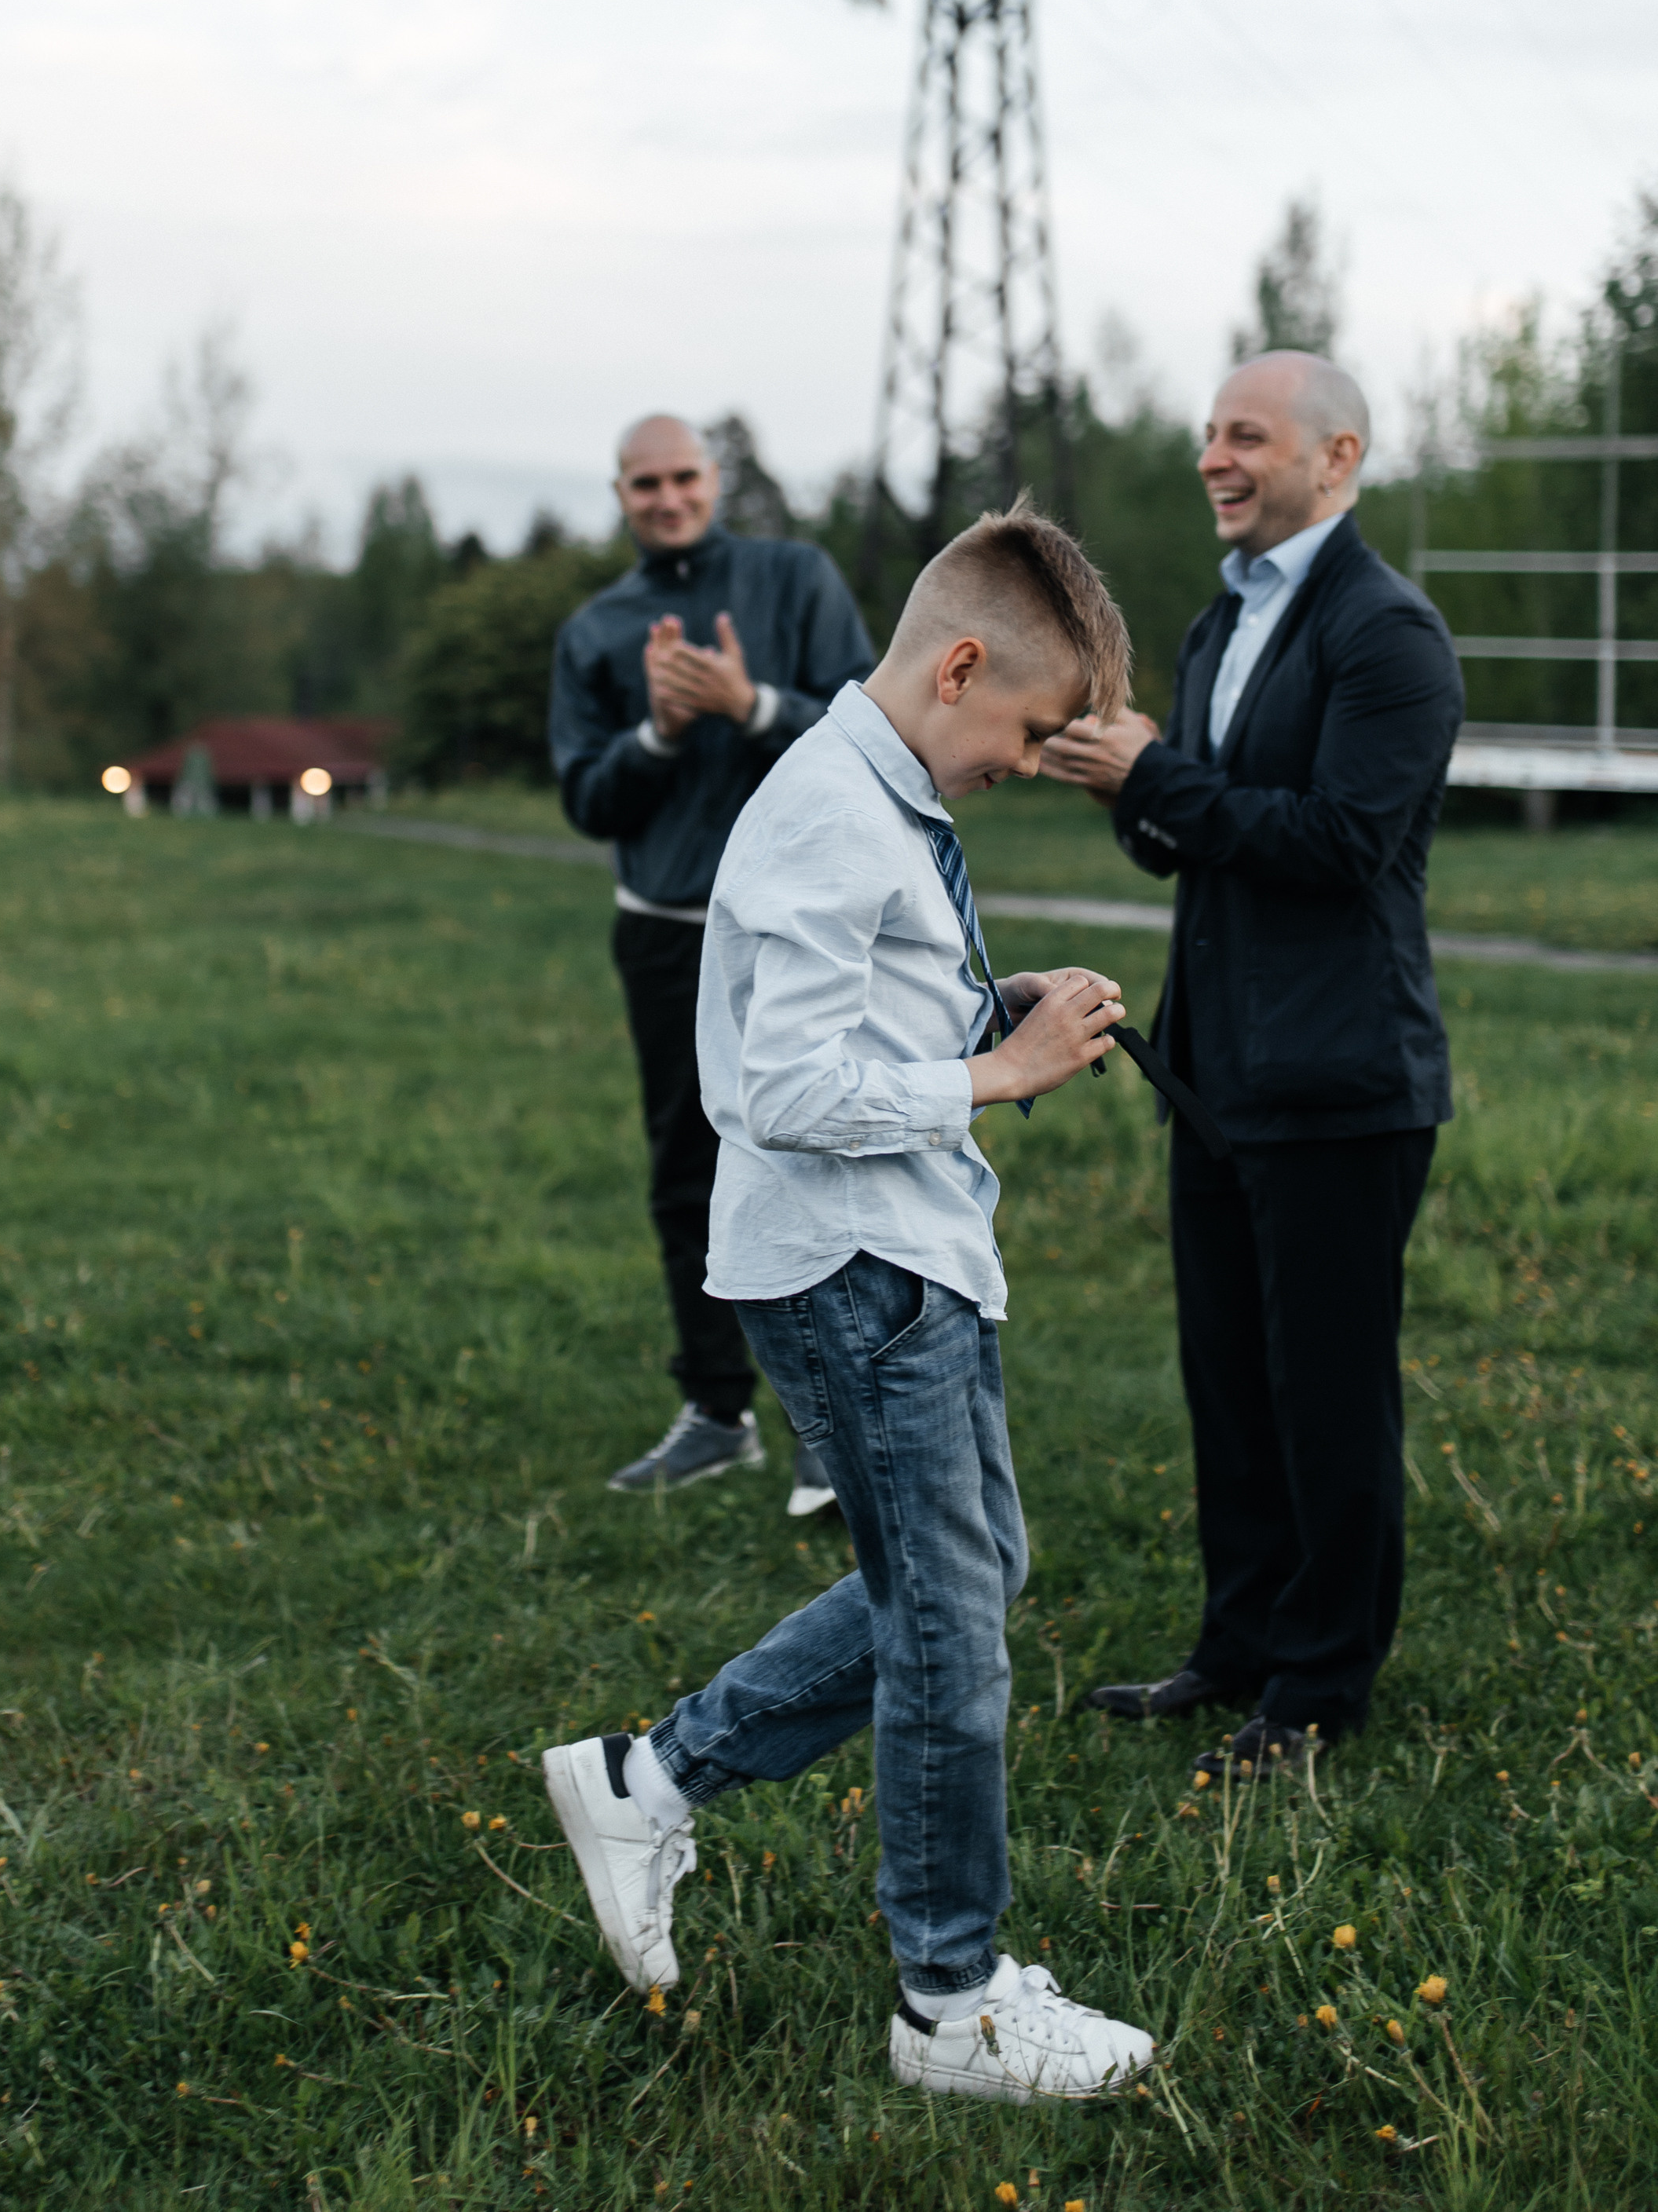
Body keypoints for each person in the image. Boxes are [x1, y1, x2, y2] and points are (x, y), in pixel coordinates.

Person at [544, 503, 1158, 2106]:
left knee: (970, 1578)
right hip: (856, 1266)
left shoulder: (873, 798)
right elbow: (779, 1082)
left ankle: (649, 1777)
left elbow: (858, 1007)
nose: (1029, 763)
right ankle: (947, 2003)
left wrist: (986, 1004)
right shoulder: (828, 812)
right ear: (956, 664)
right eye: (1026, 728)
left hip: (896, 1248)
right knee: (953, 1634)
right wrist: (994, 1069)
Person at [1038, 351, 1463, 1778]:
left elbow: (1341, 847)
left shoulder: (1386, 634)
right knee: (1227, 1379)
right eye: (1208, 435)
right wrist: (1127, 789)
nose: (1215, 459)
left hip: (1340, 1082)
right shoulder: (1221, 622)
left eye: (1248, 437)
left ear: (1335, 460)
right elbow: (1192, 836)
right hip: (1216, 1075)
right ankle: (1235, 1651)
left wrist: (1155, 779)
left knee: (1325, 1395)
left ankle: (1320, 1689)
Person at [550, 415, 875, 1509]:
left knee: (814, 1161)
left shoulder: (795, 578)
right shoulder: (598, 628)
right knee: (688, 1173)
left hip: (804, 928)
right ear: (620, 494)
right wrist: (656, 735)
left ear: (715, 479)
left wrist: (751, 708)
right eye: (644, 483)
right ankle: (715, 1410)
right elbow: (585, 799)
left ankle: (828, 1420)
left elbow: (875, 731)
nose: (667, 498)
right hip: (665, 930)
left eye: (683, 476)